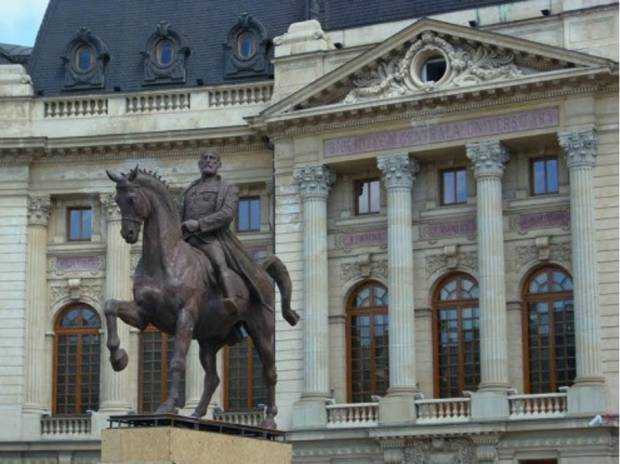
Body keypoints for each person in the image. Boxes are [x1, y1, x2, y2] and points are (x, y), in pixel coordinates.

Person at [181, 151, 265, 343]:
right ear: (199, 164)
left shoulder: (227, 188)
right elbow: (180, 213)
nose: (208, 162)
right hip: (187, 240)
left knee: (220, 263)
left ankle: (233, 305)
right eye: (204, 159)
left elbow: (226, 214)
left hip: (212, 239)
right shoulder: (190, 190)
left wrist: (200, 224)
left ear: (219, 164)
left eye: (212, 159)